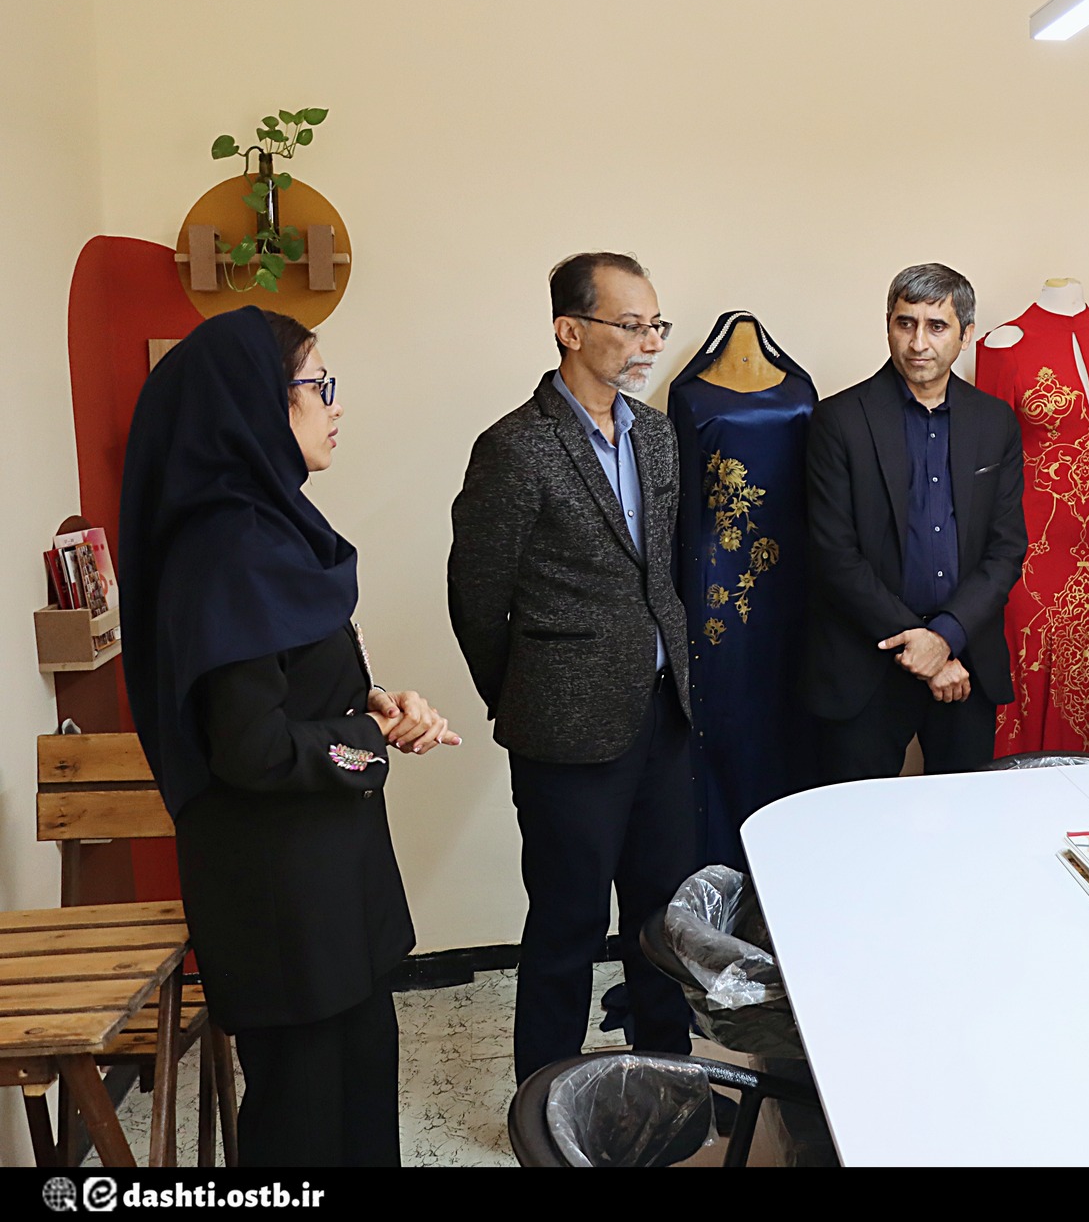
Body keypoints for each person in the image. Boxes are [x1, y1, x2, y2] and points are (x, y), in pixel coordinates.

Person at [120, 307, 458, 1166]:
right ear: (252, 405)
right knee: (307, 1125)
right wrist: (367, 738)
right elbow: (253, 746)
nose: (334, 404)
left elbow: (289, 679)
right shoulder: (228, 549)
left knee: (357, 1101)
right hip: (285, 906)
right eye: (316, 383)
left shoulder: (265, 529)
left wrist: (371, 699)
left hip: (325, 889)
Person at [448, 252, 697, 1083]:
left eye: (656, 324)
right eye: (632, 324)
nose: (650, 341)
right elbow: (476, 597)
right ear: (570, 329)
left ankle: (667, 1079)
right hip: (562, 731)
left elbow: (659, 570)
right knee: (568, 922)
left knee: (663, 918)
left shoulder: (656, 435)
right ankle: (546, 1103)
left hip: (662, 715)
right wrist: (524, 697)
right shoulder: (515, 447)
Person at [804, 263, 1028, 780]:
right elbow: (833, 554)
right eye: (905, 324)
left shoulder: (995, 421)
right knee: (860, 819)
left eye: (936, 326)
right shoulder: (839, 420)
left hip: (966, 658)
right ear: (888, 325)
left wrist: (945, 637)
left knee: (965, 818)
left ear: (966, 335)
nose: (918, 343)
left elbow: (1005, 549)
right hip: (865, 660)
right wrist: (922, 644)